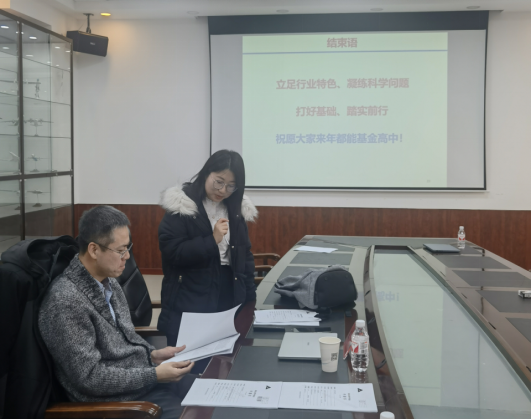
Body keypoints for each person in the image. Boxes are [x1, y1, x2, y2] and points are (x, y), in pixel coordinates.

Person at [39, 206, 196, 418]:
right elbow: (89, 378)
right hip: (116, 403)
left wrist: (152, 355)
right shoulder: (65, 302)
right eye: (121, 250)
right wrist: (153, 375)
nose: (127, 256)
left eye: (128, 248)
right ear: (94, 250)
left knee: (212, 392)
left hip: (141, 381)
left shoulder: (109, 281)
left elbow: (125, 339)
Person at [158, 150, 258, 349]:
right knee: (188, 360)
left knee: (224, 357)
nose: (223, 190)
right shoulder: (183, 205)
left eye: (231, 186)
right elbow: (173, 252)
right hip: (191, 298)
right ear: (206, 173)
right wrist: (212, 241)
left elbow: (244, 255)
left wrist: (250, 299)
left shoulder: (236, 209)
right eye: (219, 182)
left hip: (229, 294)